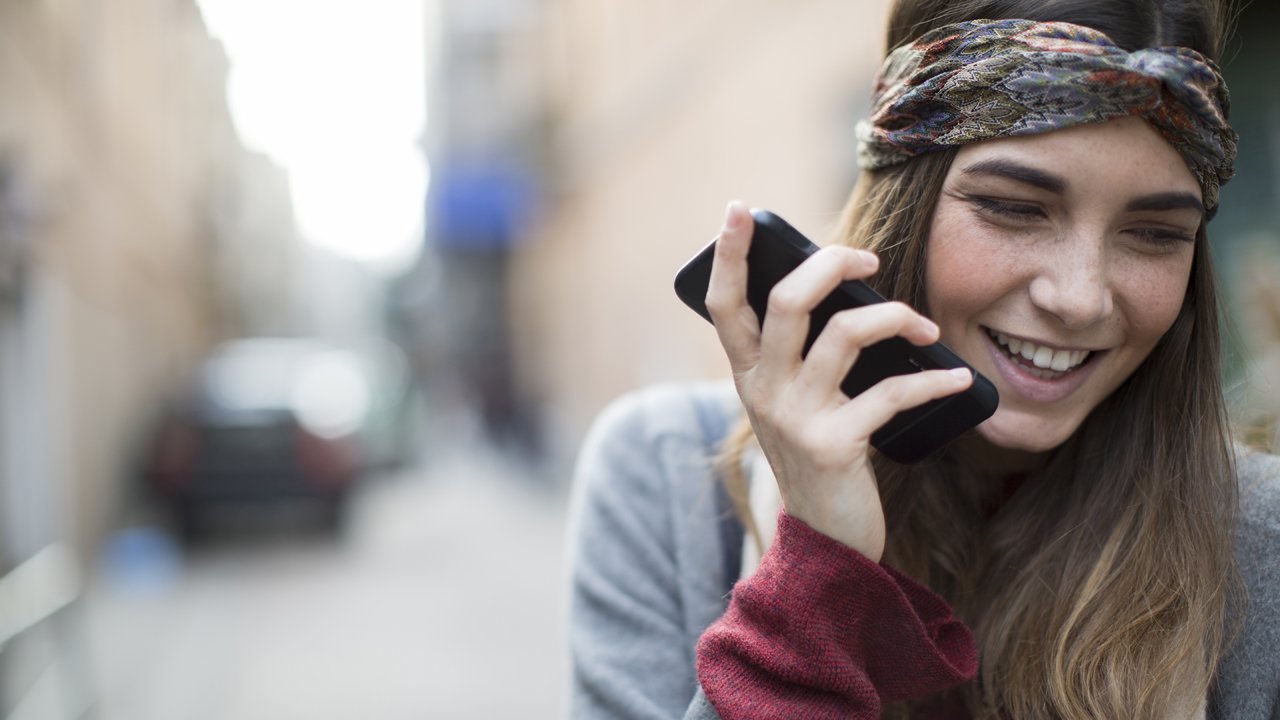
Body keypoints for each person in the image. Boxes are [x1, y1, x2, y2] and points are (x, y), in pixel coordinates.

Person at [565, 0, 1280, 718]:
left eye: (1154, 233)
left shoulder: (1261, 543)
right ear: (903, 202)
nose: (1081, 298)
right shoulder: (663, 474)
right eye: (1015, 208)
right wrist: (814, 573)